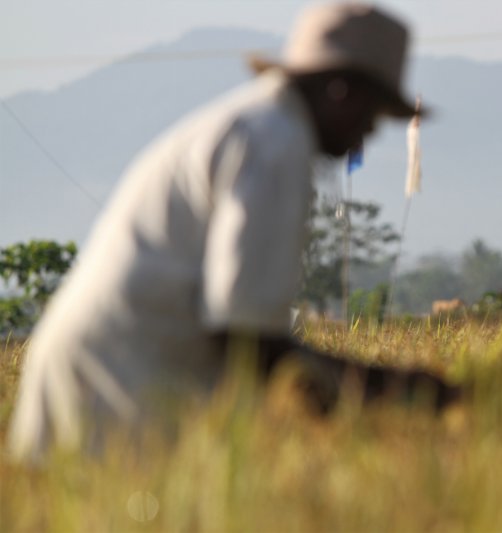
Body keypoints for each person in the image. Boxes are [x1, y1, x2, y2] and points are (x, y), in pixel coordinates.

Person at [8, 3, 457, 461]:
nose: (369, 132)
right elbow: (249, 341)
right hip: (114, 378)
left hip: (107, 363)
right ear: (340, 91)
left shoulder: (261, 125)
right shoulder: (275, 144)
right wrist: (400, 393)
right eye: (372, 114)